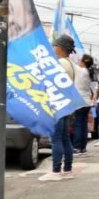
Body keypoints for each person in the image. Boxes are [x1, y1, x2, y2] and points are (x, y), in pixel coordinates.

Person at [40, 35, 76, 181]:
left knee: (56, 139)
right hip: (66, 104)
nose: (52, 48)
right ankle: (67, 170)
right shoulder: (69, 63)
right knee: (65, 138)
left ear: (60, 48)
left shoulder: (60, 63)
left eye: (54, 46)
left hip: (57, 104)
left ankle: (55, 171)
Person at [71, 54, 95, 155]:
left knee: (78, 125)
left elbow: (70, 62)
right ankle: (83, 147)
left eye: (80, 60)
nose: (79, 61)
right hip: (86, 101)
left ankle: (76, 147)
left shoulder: (80, 70)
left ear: (83, 61)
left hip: (79, 101)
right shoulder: (88, 72)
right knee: (83, 125)